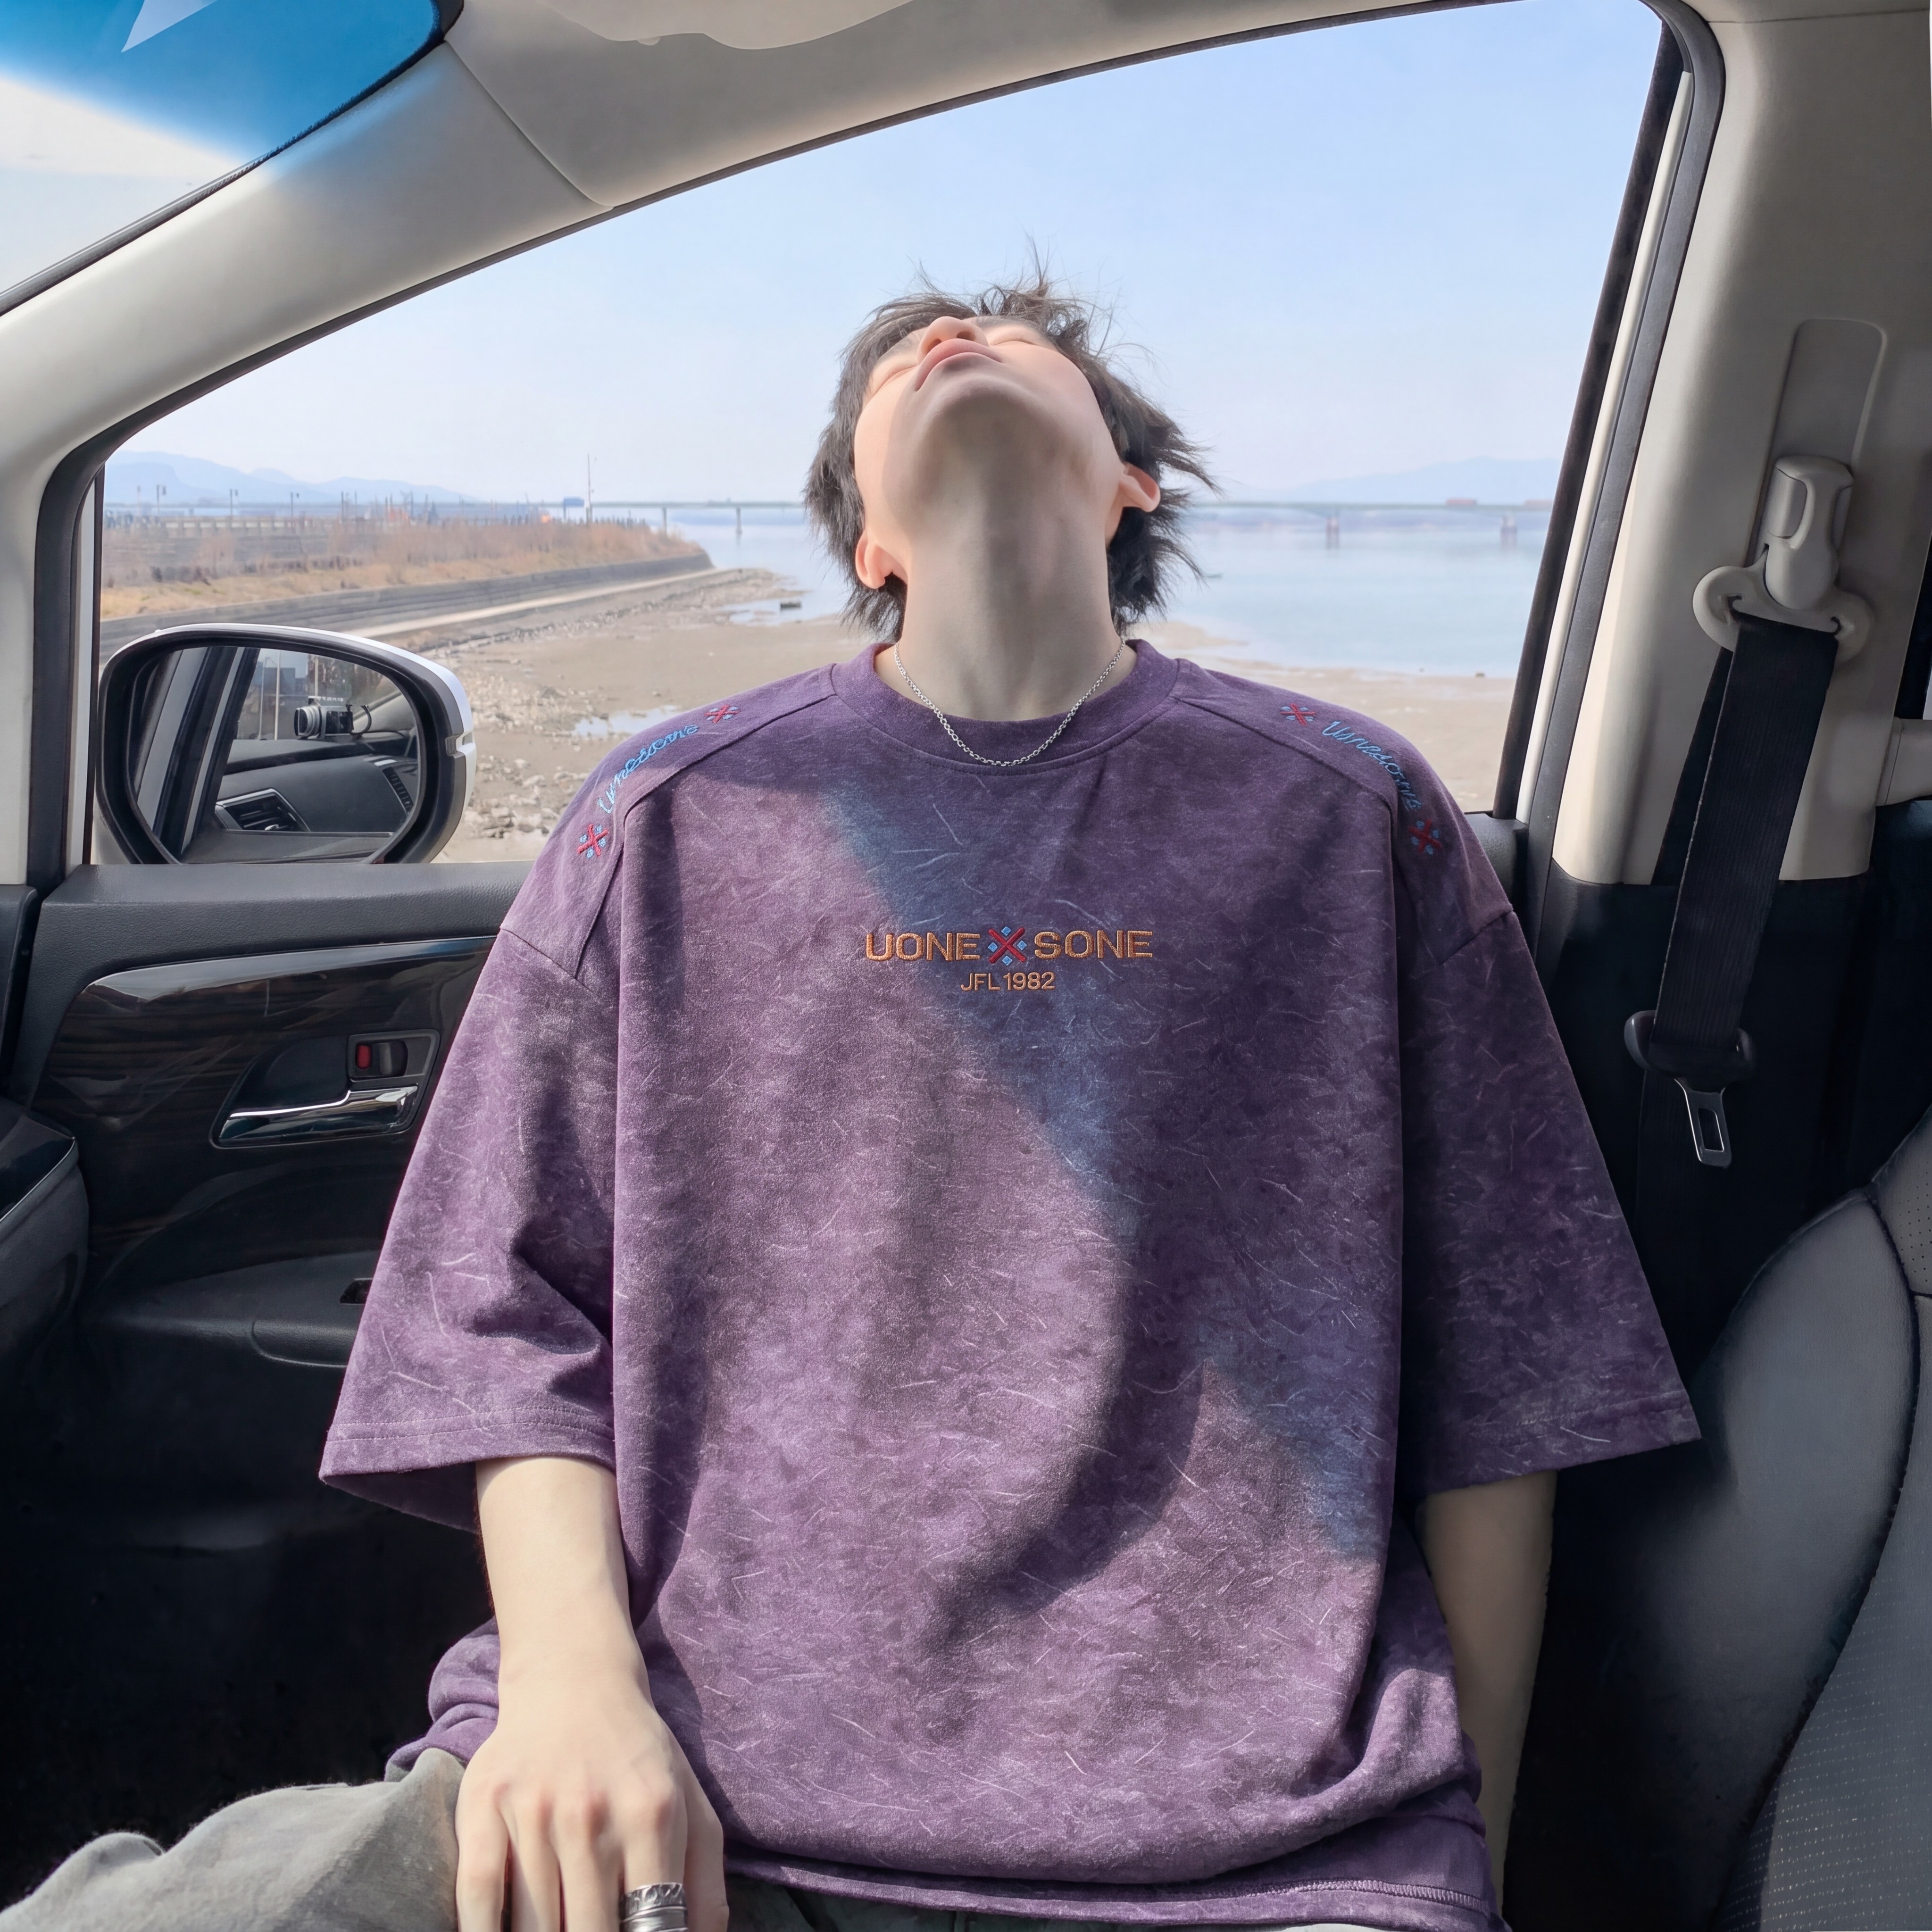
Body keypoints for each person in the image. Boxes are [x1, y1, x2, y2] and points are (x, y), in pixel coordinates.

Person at [0, 273, 1696, 1932]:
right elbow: (492, 1317)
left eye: (1021, 338)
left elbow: (1514, 1366)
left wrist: (1455, 1843)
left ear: (1131, 483)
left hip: (1255, 1852)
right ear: (871, 542)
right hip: (664, 1790)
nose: (954, 336)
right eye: (892, 367)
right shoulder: (661, 816)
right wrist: (575, 1696)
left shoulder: (1352, 809)